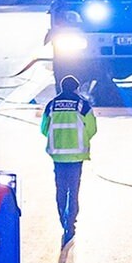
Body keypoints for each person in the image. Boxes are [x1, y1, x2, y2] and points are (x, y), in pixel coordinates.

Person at [41, 75, 96, 245]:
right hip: (76, 156)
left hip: (57, 156)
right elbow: (92, 129)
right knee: (74, 190)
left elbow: (44, 129)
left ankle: (61, 218)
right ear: (76, 89)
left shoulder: (51, 105)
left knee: (60, 189)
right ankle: (71, 223)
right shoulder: (82, 105)